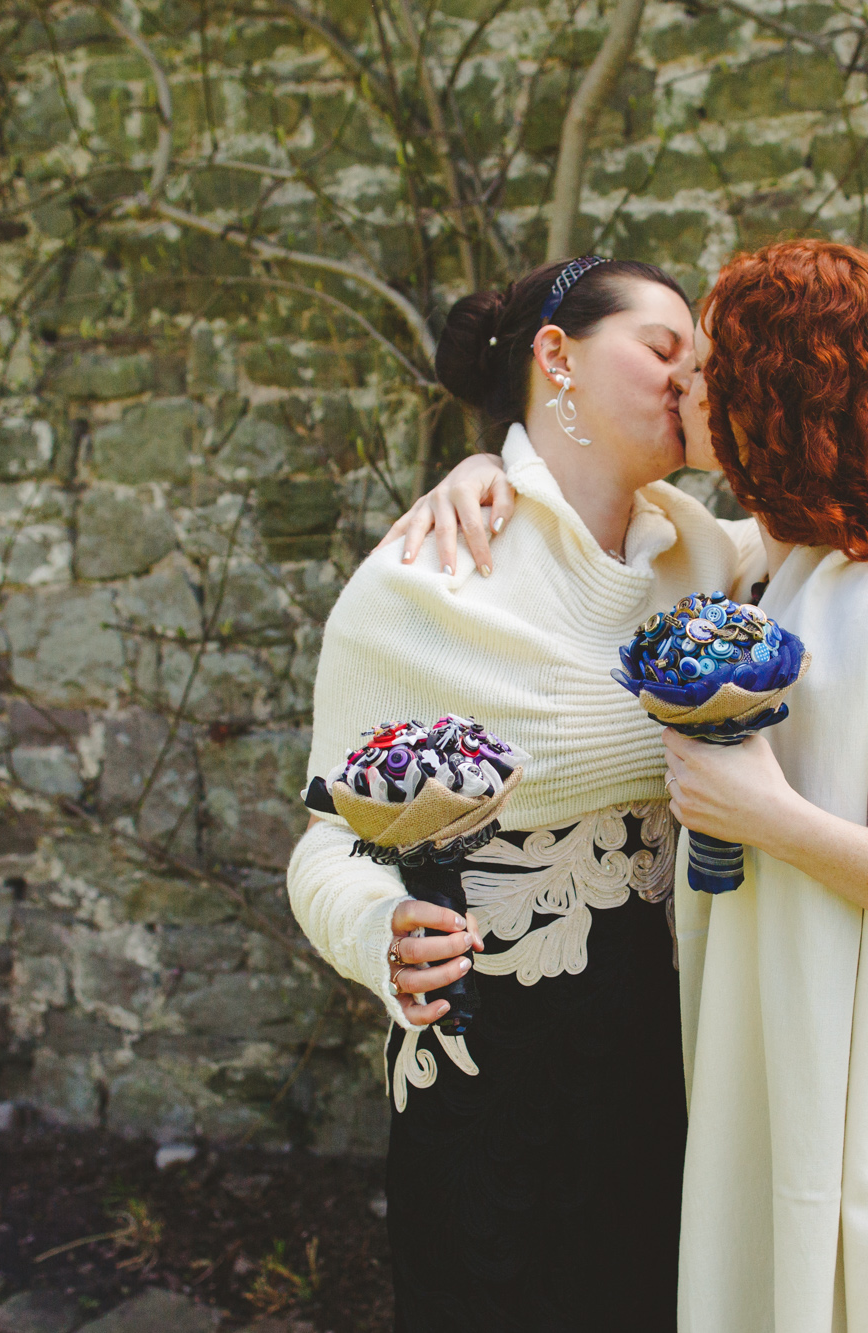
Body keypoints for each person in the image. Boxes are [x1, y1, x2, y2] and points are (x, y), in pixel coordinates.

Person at [386, 239, 868, 1333]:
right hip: (756, 1070)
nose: (684, 385)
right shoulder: (754, 581)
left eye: (709, 367)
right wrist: (492, 470)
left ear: (780, 396)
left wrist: (776, 821)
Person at [285, 256, 761, 1332]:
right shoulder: (424, 577)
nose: (690, 379)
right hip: (493, 1083)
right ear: (557, 355)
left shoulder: (701, 553)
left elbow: (826, 535)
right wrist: (376, 932)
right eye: (663, 349)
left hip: (678, 1065)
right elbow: (330, 838)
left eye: (699, 362)